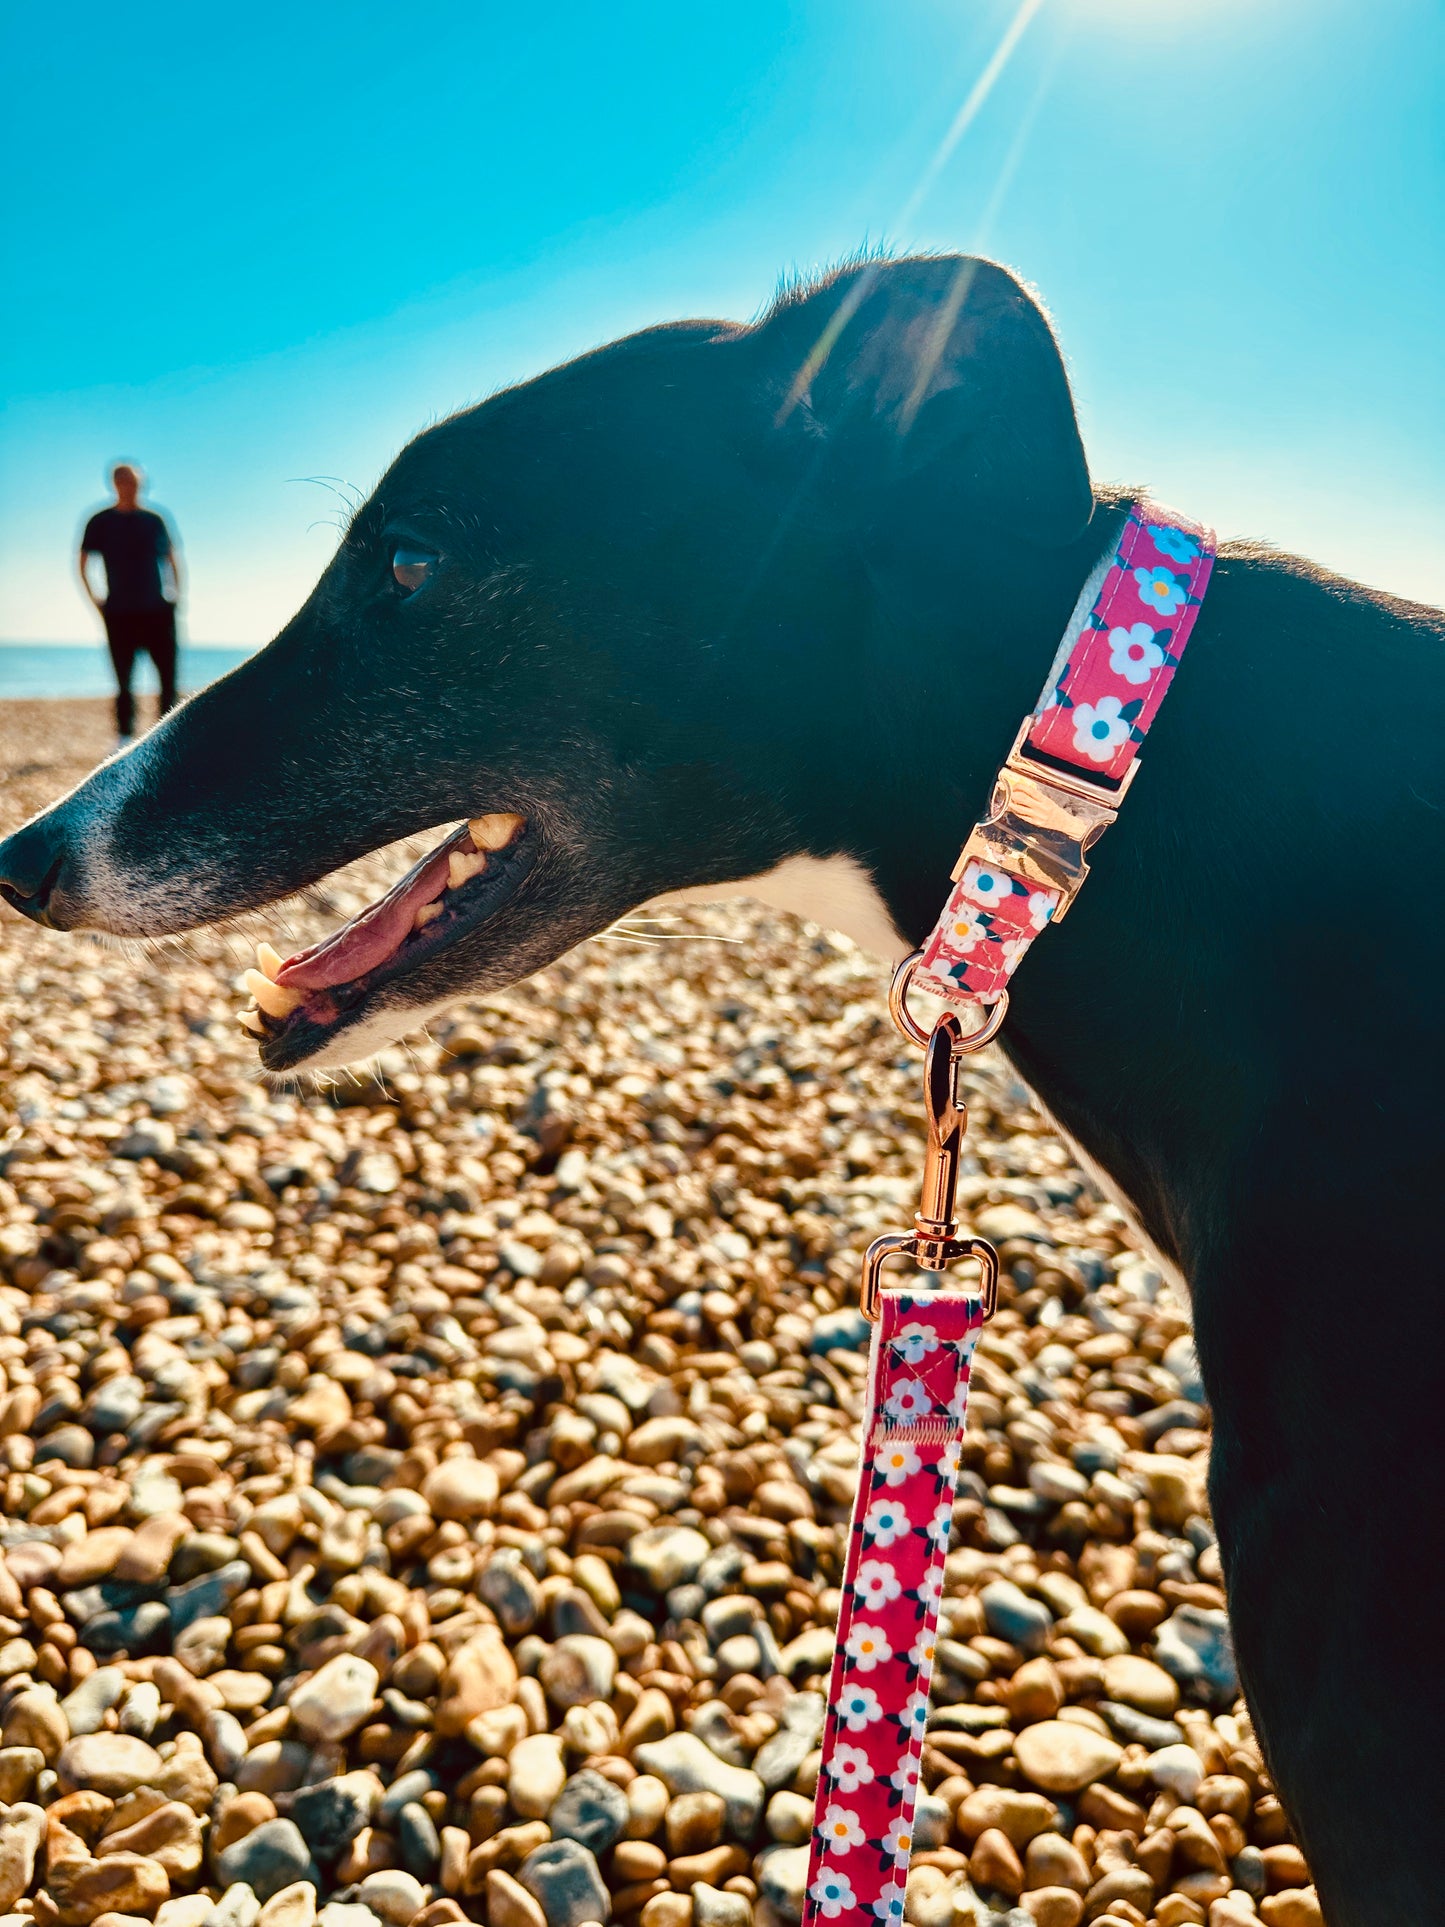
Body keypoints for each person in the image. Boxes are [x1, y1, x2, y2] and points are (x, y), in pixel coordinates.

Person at [79, 464, 182, 744]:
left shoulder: (154, 520)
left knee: (168, 677)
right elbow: (83, 561)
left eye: (135, 481)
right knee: (123, 678)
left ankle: (167, 734)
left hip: (157, 610)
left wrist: (175, 594)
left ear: (142, 483)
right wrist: (96, 600)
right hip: (119, 611)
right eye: (124, 481)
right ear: (114, 483)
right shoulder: (100, 521)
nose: (130, 486)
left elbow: (171, 558)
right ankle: (124, 737)